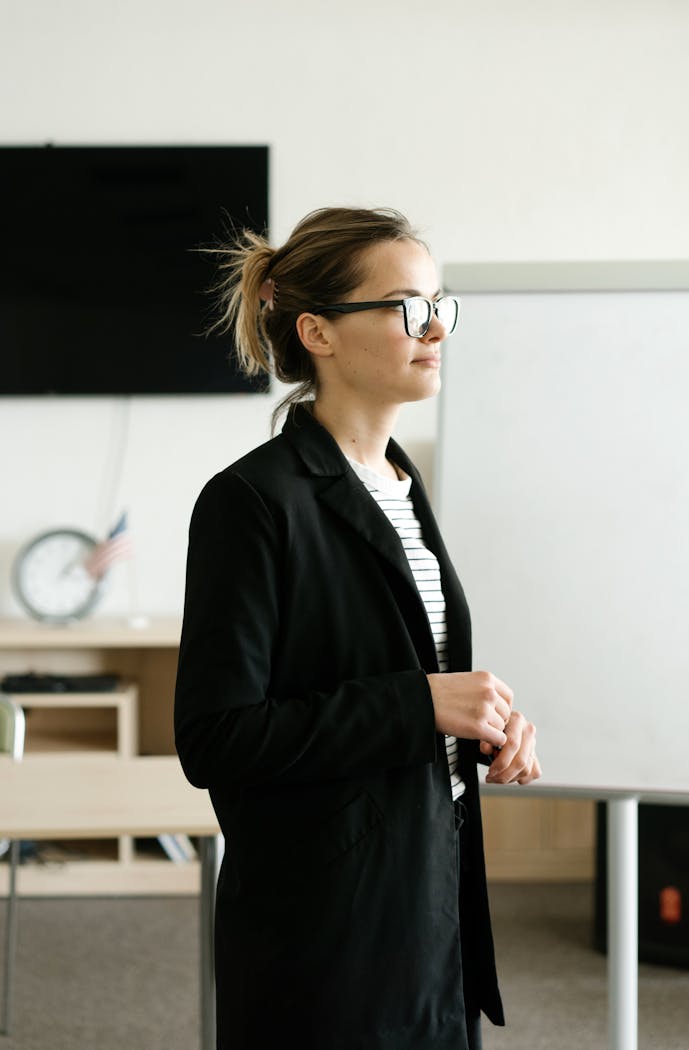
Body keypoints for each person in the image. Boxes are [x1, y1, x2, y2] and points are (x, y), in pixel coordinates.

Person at [174, 206, 542, 1050]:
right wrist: (422, 706)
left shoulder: (404, 486)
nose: (435, 328)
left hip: (431, 898)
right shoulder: (254, 500)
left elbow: (403, 679)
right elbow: (216, 737)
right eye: (407, 307)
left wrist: (485, 729)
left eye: (441, 304)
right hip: (329, 924)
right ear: (318, 332)